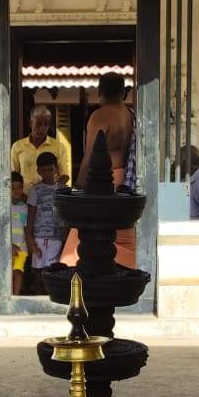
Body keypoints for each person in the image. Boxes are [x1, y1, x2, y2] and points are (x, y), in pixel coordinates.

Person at [62, 71, 136, 267]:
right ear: (123, 92)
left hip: (101, 182)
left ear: (100, 91)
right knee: (121, 238)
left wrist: (78, 186)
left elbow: (90, 156)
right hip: (124, 185)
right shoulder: (129, 115)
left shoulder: (101, 115)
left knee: (84, 240)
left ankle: (80, 288)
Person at [25, 150, 66, 282]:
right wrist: (30, 239)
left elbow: (66, 215)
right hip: (39, 237)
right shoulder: (35, 189)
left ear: (56, 169)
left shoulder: (63, 190)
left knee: (53, 270)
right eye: (43, 170)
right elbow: (30, 215)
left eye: (50, 169)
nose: (47, 173)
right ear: (38, 171)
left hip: (56, 237)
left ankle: (50, 296)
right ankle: (38, 295)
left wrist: (65, 236)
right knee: (38, 271)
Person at [10, 105, 71, 191]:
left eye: (46, 124)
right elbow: (14, 176)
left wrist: (51, 191)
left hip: (48, 200)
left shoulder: (59, 147)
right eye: (38, 124)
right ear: (31, 123)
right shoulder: (17, 146)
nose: (42, 128)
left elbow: (64, 175)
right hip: (24, 198)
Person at [9, 171, 29, 296]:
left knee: (18, 270)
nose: (16, 190)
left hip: (21, 245)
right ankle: (8, 296)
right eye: (12, 187)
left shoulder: (25, 208)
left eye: (19, 187)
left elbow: (26, 228)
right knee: (7, 272)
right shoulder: (5, 207)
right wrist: (10, 245)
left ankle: (15, 297)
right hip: (8, 245)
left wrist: (27, 244)